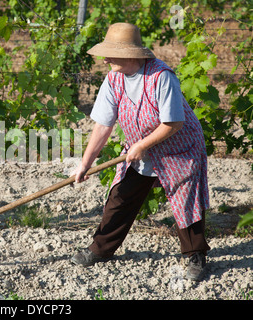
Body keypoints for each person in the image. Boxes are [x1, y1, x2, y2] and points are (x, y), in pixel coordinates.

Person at [70, 23, 211, 281]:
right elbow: (103, 125)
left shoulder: (161, 77)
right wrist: (85, 164)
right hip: (142, 150)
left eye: (111, 52)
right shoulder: (113, 80)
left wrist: (141, 145)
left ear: (131, 55)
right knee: (121, 196)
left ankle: (195, 255)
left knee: (185, 199)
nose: (105, 59)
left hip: (179, 149)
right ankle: (100, 249)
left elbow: (173, 123)